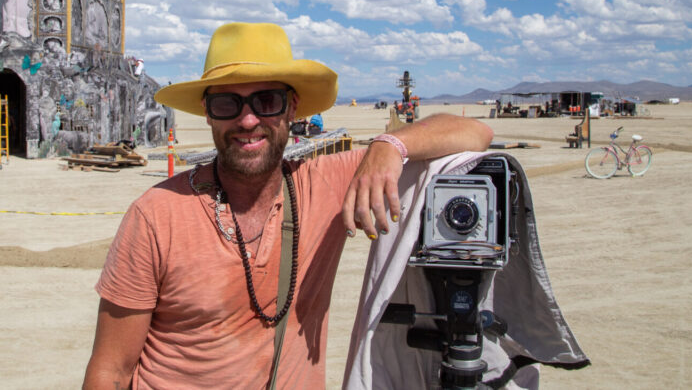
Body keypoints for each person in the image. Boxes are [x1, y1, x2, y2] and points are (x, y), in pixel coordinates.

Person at [84, 22, 492, 388]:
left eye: (266, 101)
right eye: (227, 103)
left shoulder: (326, 185)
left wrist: (391, 144)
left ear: (292, 107)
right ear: (208, 114)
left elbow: (475, 132)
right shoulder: (157, 214)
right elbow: (111, 370)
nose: (247, 121)